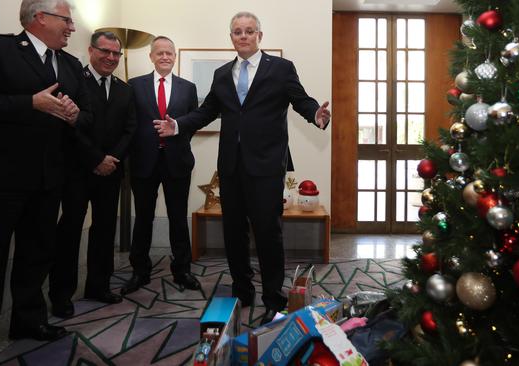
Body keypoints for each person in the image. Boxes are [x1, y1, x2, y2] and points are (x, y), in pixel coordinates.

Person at [156, 11, 331, 325]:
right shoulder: (223, 73)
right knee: (233, 232)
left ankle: (273, 298)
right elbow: (208, 110)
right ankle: (242, 288)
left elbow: (300, 99)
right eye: (238, 31)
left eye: (250, 31)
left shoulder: (280, 69)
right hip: (231, 166)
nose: (244, 36)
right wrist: (179, 125)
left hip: (266, 166)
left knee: (267, 234)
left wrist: (315, 114)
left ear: (259, 36)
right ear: (232, 37)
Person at [0, 0, 91, 358]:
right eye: (67, 20)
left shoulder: (72, 64)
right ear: (40, 18)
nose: (72, 28)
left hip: (50, 179)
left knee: (36, 254)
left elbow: (87, 115)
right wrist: (29, 103)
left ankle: (29, 320)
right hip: (2, 179)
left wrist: (76, 115)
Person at [48, 31, 137, 317]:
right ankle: (61, 294)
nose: (111, 58)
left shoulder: (125, 90)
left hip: (111, 173)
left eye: (116, 53)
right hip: (77, 170)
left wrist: (113, 159)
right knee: (70, 231)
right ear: (91, 50)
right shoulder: (73, 83)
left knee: (104, 230)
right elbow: (69, 126)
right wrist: (97, 158)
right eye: (105, 51)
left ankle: (99, 286)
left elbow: (130, 129)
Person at [121, 36, 202, 295]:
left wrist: (175, 137)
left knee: (178, 218)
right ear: (151, 56)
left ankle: (183, 270)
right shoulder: (134, 86)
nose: (165, 56)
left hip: (176, 162)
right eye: (160, 53)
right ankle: (139, 271)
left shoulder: (188, 88)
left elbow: (192, 123)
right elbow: (129, 124)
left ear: (175, 56)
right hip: (143, 164)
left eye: (169, 53)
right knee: (143, 218)